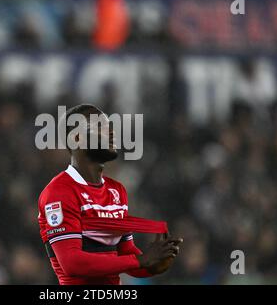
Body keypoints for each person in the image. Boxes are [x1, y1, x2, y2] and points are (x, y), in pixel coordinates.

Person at [37, 104, 183, 285]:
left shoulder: (117, 191)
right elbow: (72, 263)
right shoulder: (59, 192)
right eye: (100, 127)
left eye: (110, 127)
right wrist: (140, 260)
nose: (112, 133)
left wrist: (155, 263)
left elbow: (125, 254)